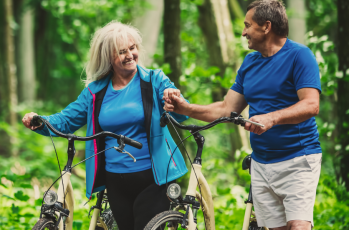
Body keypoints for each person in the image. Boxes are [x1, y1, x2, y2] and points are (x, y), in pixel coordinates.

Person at [163, 1, 321, 230]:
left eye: (248, 25)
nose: (243, 31)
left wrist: (271, 118)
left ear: (266, 26)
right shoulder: (250, 63)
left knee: (298, 226)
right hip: (262, 164)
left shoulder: (299, 56)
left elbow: (311, 105)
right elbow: (227, 109)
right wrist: (186, 109)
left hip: (298, 159)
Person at [21, 21, 190, 230]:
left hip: (153, 177)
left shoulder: (155, 81)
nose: (130, 55)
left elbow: (183, 114)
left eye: (133, 48)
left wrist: (174, 100)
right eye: (122, 51)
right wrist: (40, 121)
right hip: (115, 179)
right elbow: (66, 120)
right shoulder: (95, 92)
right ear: (107, 58)